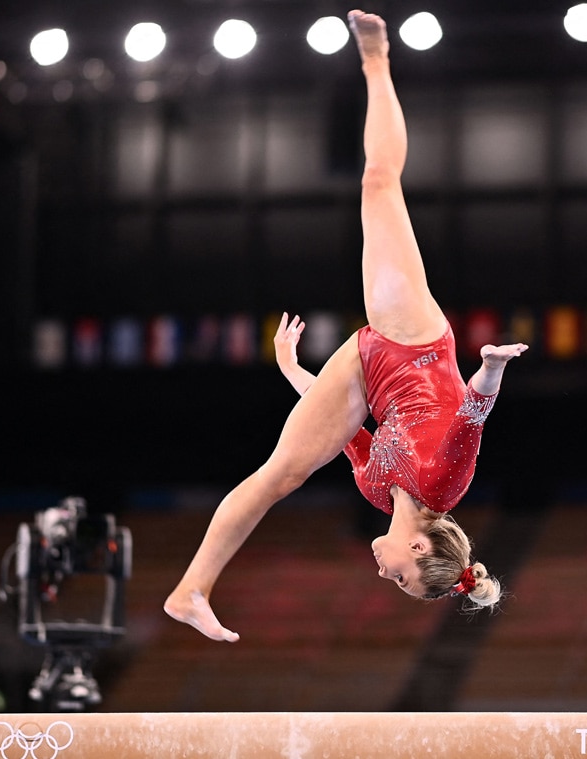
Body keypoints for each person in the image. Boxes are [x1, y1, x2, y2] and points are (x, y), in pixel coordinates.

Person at [164, 10, 527, 642]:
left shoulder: (377, 492)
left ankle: (191, 589)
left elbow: (350, 432)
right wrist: (490, 366)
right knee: (379, 183)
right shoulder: (444, 484)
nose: (387, 578)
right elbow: (472, 417)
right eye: (404, 581)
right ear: (419, 552)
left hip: (363, 369)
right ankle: (376, 59)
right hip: (413, 341)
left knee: (281, 474)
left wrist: (292, 372)